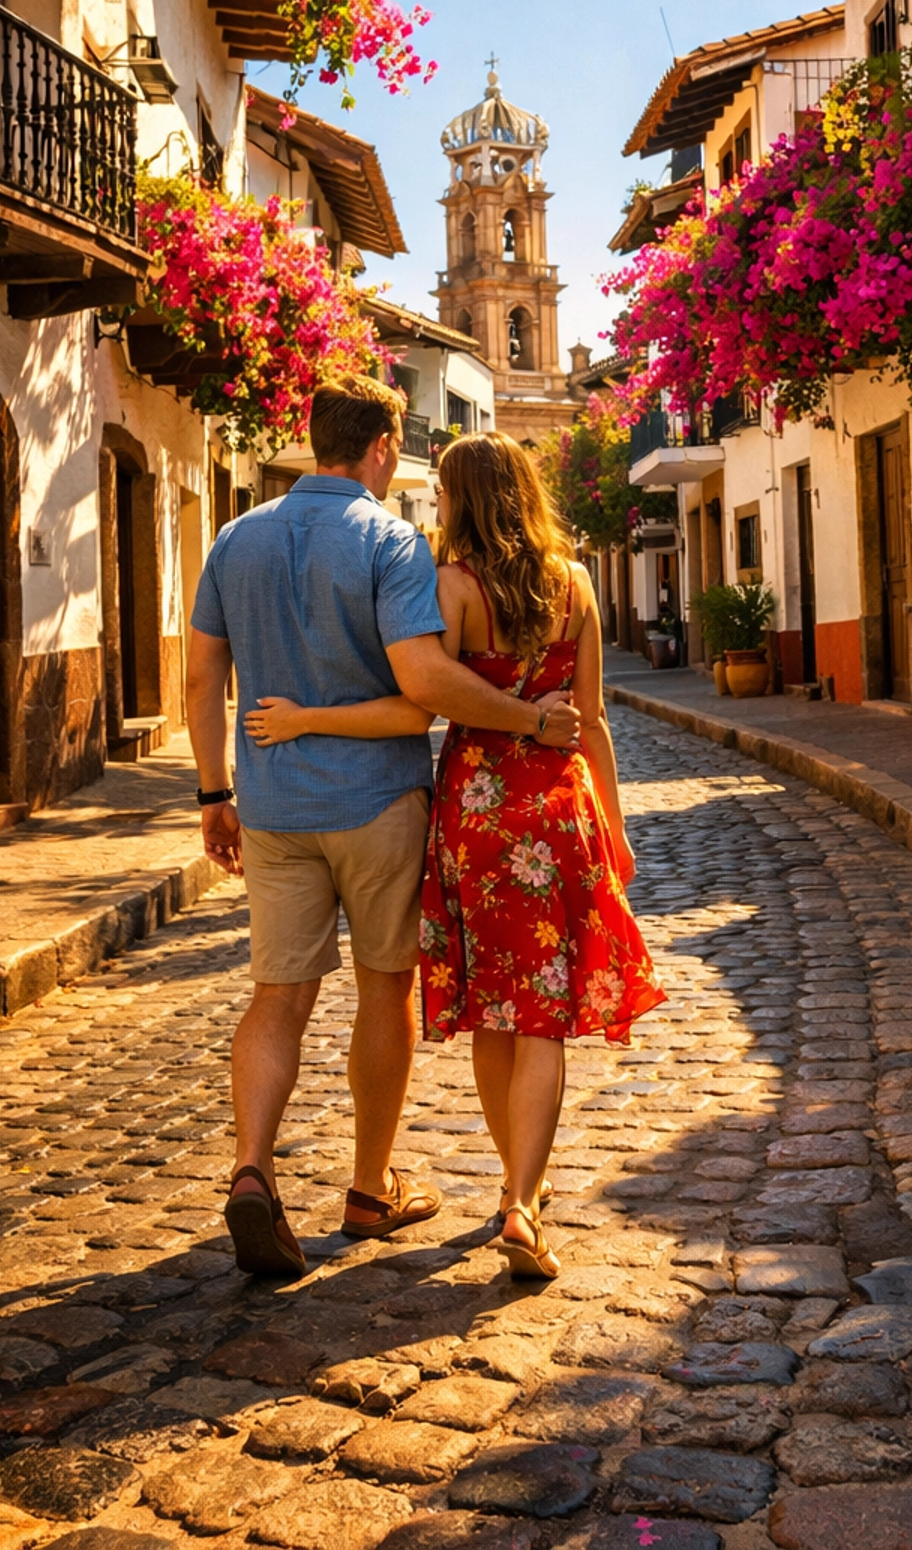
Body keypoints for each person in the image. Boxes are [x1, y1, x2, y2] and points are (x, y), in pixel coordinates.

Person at [187, 375, 580, 1281]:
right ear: (376, 451)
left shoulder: (235, 538)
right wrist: (526, 722)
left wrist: (214, 795)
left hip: (275, 808)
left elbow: (202, 676)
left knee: (276, 997)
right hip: (379, 806)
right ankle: (370, 1187)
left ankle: (252, 1168)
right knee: (382, 987)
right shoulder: (391, 540)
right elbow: (424, 686)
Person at [257, 431, 663, 1283]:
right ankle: (525, 1199)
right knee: (544, 1017)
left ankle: (514, 1193)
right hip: (560, 811)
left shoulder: (450, 587)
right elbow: (591, 722)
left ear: (459, 499)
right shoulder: (576, 584)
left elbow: (426, 695)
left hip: (479, 814)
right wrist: (616, 830)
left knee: (493, 1012)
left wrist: (304, 716)